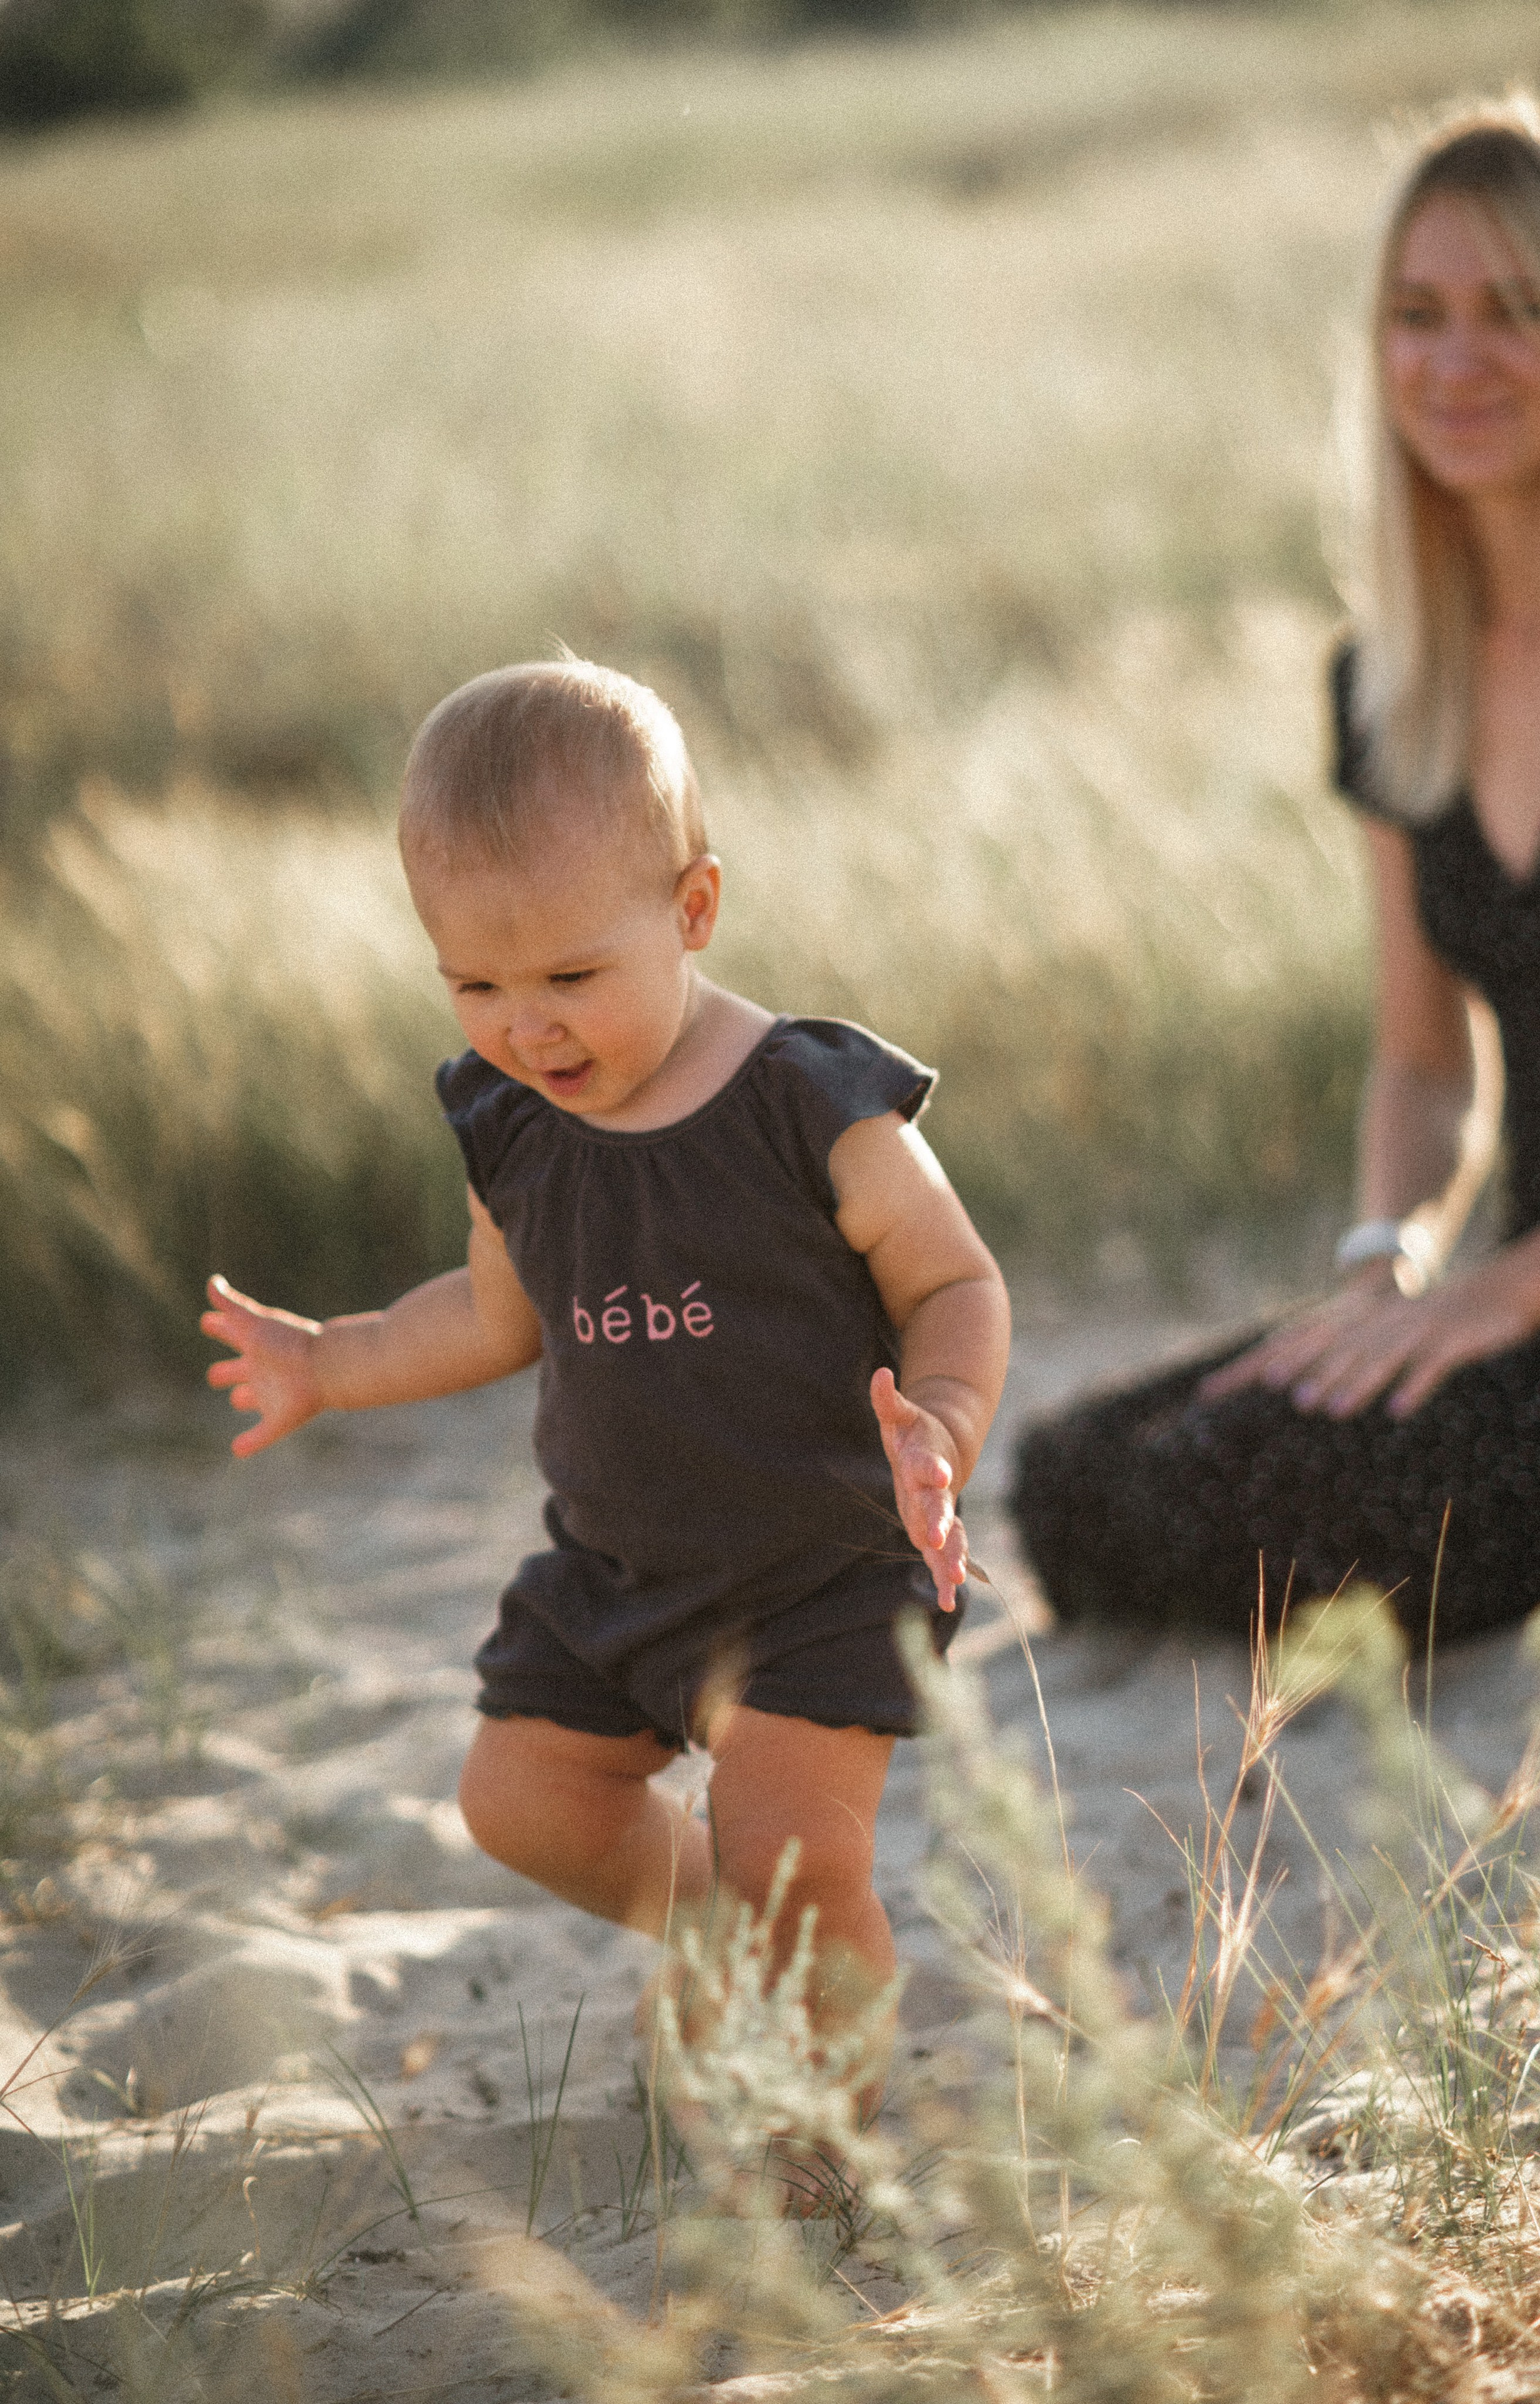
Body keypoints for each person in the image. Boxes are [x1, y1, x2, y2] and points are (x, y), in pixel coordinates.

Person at [202, 657, 1010, 2110]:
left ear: (692, 911)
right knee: (518, 1802)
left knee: (799, 1861)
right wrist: (328, 1362)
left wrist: (940, 1428)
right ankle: (721, 1939)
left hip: (822, 1567)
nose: (528, 1026)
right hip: (620, 1568)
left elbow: (955, 1286)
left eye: (572, 976)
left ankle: (827, 2130)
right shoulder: (511, 1122)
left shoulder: (808, 1105)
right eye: (475, 984)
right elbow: (495, 1314)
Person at [1012, 98, 1540, 1649]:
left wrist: (1512, 1288)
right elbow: (1424, 1067)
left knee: (1358, 1508)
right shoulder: (1391, 682)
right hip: (1521, 1317)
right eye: (1416, 315)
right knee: (1081, 1479)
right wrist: (1383, 1266)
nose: (1452, 362)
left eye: (1512, 311)